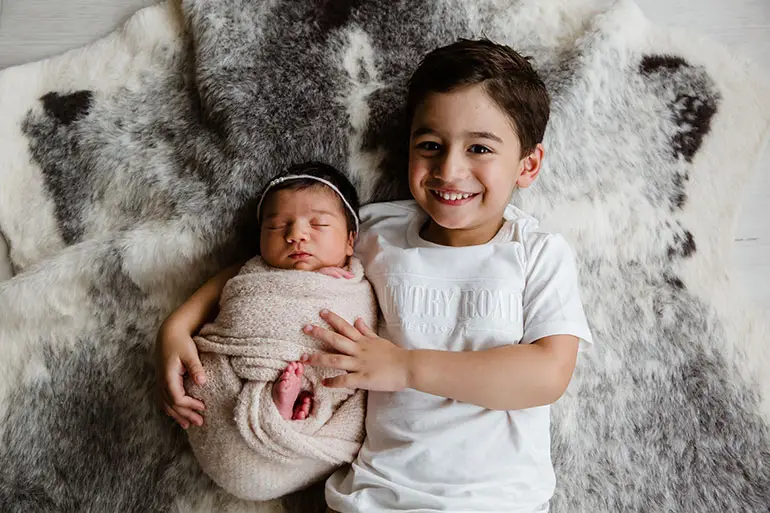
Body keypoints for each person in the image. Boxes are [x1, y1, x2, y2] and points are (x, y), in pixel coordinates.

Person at [303, 39, 593, 513]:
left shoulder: (537, 254)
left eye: (479, 148)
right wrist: (179, 327)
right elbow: (287, 254)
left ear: (528, 164)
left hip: (498, 501)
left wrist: (405, 367)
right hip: (377, 496)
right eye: (431, 146)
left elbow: (547, 374)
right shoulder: (377, 231)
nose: (449, 169)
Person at [156, 162, 378, 501]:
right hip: (232, 389)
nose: (296, 235)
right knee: (207, 380)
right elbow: (240, 308)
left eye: (317, 224)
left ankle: (295, 408)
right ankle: (280, 405)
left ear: (350, 241)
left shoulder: (354, 286)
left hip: (319, 387)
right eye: (276, 226)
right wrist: (174, 329)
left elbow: (359, 336)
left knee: (329, 379)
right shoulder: (252, 274)